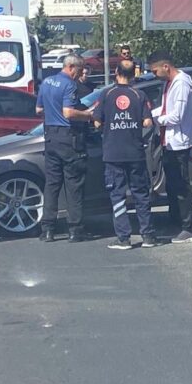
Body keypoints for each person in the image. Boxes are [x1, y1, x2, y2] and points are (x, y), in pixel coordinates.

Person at [93, 59, 157, 250]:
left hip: (113, 153)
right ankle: (148, 236)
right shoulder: (139, 94)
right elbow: (148, 122)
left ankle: (124, 238)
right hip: (135, 152)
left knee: (118, 196)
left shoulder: (107, 94)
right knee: (141, 195)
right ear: (133, 75)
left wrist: (109, 127)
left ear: (116, 72)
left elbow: (96, 122)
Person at [36, 53, 96, 242]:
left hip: (50, 137)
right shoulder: (69, 84)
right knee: (73, 184)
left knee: (52, 185)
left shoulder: (46, 82)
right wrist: (87, 115)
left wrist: (53, 112)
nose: (80, 75)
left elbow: (39, 110)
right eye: (79, 70)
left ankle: (47, 229)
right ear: (71, 67)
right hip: (68, 138)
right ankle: (75, 229)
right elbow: (69, 113)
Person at [147, 50, 192, 244]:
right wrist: (148, 113)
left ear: (165, 67)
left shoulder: (181, 84)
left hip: (179, 142)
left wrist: (155, 120)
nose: (155, 75)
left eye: (155, 71)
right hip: (168, 141)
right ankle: (176, 221)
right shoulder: (170, 83)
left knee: (181, 186)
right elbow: (164, 109)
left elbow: (176, 115)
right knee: (171, 185)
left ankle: (189, 227)